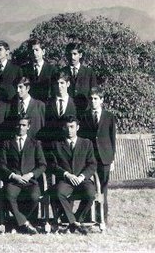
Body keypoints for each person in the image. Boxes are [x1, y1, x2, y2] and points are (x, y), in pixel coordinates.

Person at [0, 116, 47, 234]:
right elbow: (1, 165)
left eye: (24, 125)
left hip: (30, 181)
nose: (21, 127)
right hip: (14, 181)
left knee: (34, 197)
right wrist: (13, 175)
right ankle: (25, 223)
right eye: (19, 125)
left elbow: (42, 165)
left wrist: (30, 175)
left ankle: (17, 224)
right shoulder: (7, 143)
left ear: (28, 127)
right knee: (8, 196)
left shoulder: (35, 143)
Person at [47, 115, 97, 234]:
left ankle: (76, 220)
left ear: (77, 127)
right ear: (63, 128)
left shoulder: (86, 143)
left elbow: (92, 164)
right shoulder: (56, 144)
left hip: (82, 180)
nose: (69, 130)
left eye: (72, 127)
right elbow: (53, 165)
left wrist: (81, 177)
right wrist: (67, 174)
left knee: (90, 193)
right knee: (59, 192)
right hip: (65, 180)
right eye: (67, 127)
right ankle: (74, 222)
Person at [79, 87, 116, 223]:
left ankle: (102, 218)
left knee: (103, 188)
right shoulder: (84, 116)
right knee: (90, 187)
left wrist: (112, 159)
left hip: (105, 157)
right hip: (90, 158)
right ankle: (88, 216)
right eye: (91, 99)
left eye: (96, 99)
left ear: (101, 100)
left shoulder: (109, 117)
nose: (93, 101)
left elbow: (112, 138)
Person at [41, 72, 77, 147]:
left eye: (62, 83)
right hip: (51, 145)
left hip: (69, 147)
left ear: (68, 84)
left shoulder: (75, 104)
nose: (59, 86)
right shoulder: (46, 104)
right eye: (57, 83)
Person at [61, 42, 98, 116]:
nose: (72, 57)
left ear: (80, 55)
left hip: (85, 113)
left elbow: (94, 93)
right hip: (67, 112)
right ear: (66, 55)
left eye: (75, 54)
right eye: (70, 54)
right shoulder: (62, 72)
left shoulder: (89, 73)